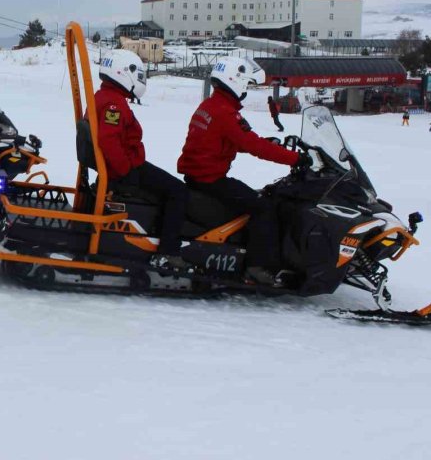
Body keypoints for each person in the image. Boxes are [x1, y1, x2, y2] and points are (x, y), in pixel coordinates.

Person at [177, 57, 308, 286]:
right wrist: (295, 158)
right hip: (210, 179)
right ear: (234, 81)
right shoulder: (225, 112)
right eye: (246, 84)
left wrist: (267, 143)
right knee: (263, 206)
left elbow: (227, 140)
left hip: (199, 176)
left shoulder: (210, 105)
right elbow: (252, 145)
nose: (246, 90)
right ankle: (256, 267)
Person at [93, 51, 189, 270]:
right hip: (123, 170)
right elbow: (109, 140)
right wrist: (127, 171)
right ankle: (168, 252)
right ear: (124, 73)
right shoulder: (114, 105)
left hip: (121, 166)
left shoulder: (105, 97)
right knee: (178, 191)